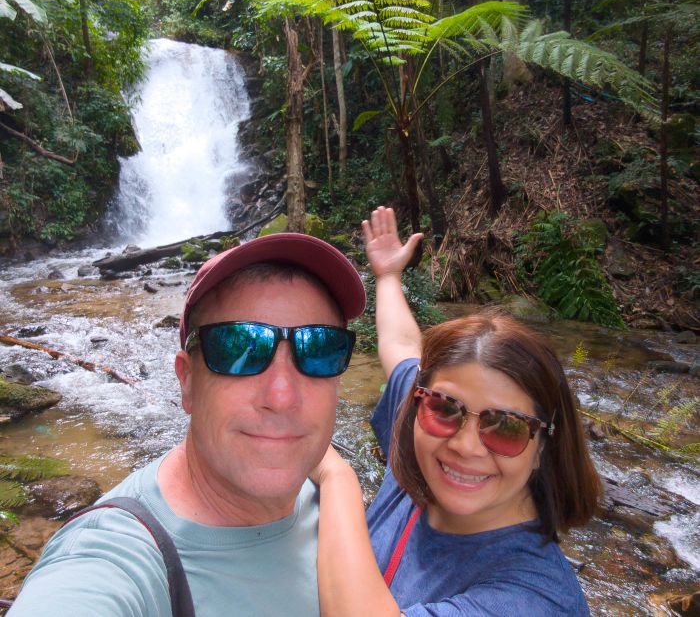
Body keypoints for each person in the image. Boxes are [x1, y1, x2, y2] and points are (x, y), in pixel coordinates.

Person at [9, 232, 365, 616]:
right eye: (238, 348)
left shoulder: (332, 502)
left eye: (319, 349)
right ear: (187, 380)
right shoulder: (116, 556)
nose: (282, 397)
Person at [311, 206, 600, 616]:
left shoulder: (537, 598)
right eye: (447, 407)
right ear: (420, 404)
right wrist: (389, 277)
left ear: (543, 446)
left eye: (506, 426)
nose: (464, 445)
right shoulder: (419, 434)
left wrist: (335, 476)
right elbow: (401, 346)